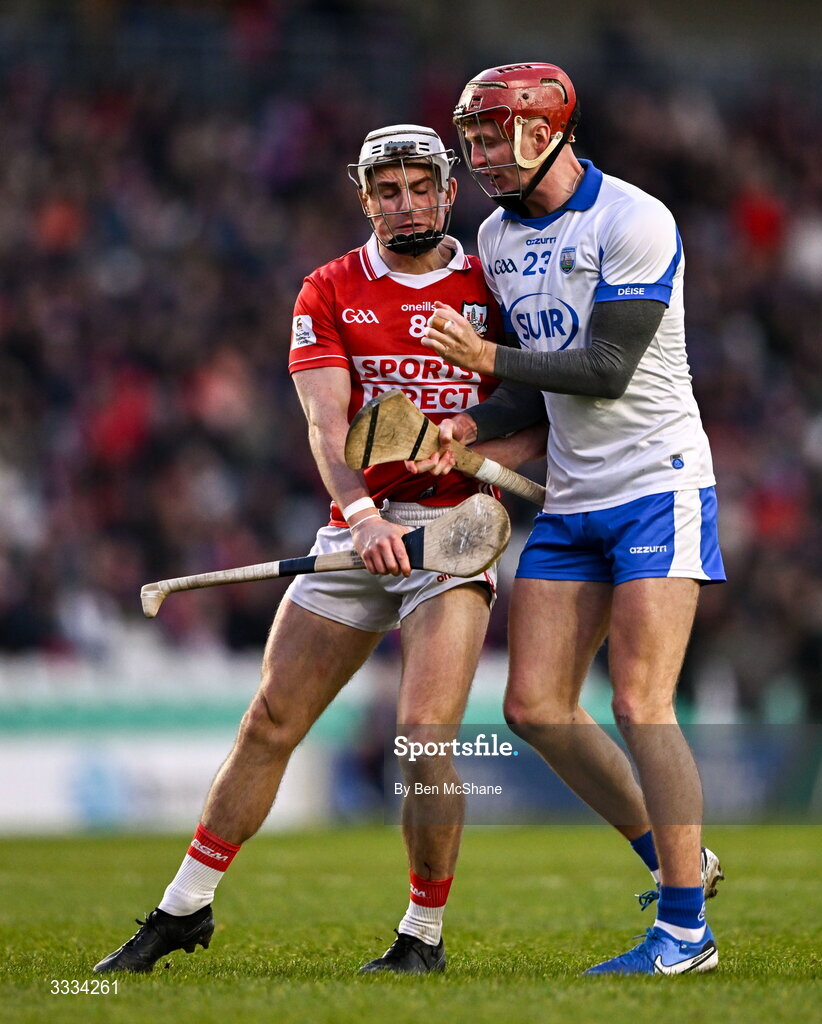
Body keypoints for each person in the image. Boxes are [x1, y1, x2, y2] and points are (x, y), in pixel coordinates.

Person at [93, 123, 543, 976]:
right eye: (386, 190)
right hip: (361, 529)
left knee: (420, 739)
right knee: (269, 721)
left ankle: (421, 937)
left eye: (419, 186)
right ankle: (182, 910)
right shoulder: (329, 288)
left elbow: (539, 415)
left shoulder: (499, 283)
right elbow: (325, 424)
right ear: (363, 194)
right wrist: (366, 516)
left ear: (447, 190)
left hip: (454, 539)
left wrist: (477, 456)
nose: (403, 203)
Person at [411, 64, 727, 975]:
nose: (479, 154)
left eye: (493, 133)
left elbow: (604, 368)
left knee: (639, 702)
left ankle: (683, 935)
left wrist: (486, 356)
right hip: (573, 493)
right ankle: (679, 863)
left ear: (549, 129)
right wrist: (475, 422)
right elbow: (534, 387)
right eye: (470, 137)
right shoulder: (498, 235)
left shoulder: (634, 218)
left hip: (657, 484)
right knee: (536, 708)